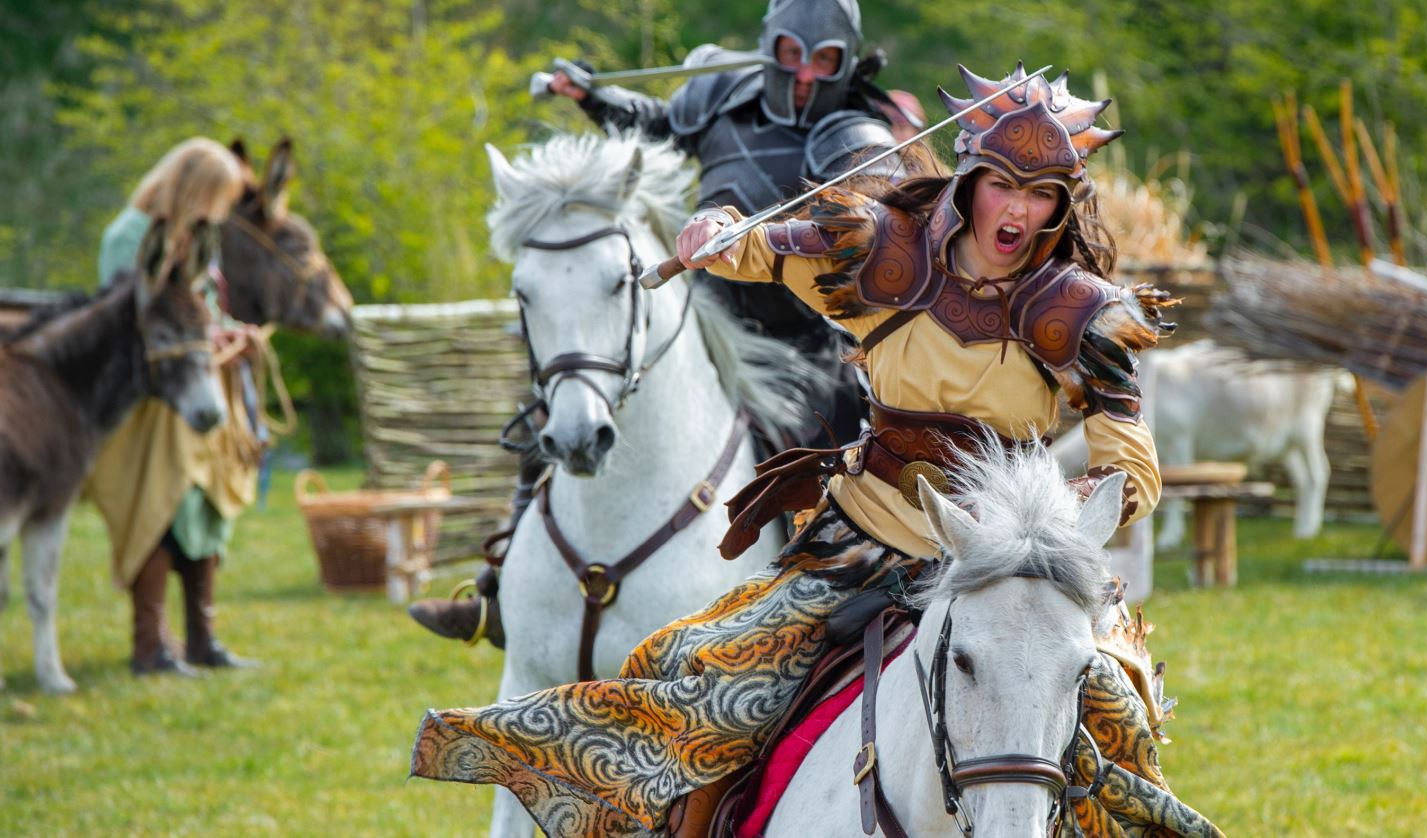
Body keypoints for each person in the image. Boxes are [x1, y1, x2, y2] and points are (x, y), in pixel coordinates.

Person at [411, 65, 1216, 836]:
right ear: (970, 182)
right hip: (862, 546)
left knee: (1122, 727)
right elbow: (765, 245)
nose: (1017, 211)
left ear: (1062, 205)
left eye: (1041, 195)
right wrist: (719, 232)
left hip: (1013, 569)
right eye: (1003, 184)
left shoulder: (1086, 315)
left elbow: (1130, 456)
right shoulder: (886, 255)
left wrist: (1081, 506)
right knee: (705, 694)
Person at [408, 0, 926, 647]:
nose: (803, 75)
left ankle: (829, 603)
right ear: (771, 49)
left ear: (845, 61)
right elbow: (657, 124)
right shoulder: (722, 96)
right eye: (792, 54)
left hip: (806, 335)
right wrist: (590, 98)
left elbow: (873, 235)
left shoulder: (857, 132)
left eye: (823, 61)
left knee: (832, 437)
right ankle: (499, 593)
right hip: (706, 309)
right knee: (570, 398)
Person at [87, 137, 262, 676]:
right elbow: (128, 317)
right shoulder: (129, 237)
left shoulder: (195, 241)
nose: (222, 211)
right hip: (153, 406)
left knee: (203, 511)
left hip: (201, 398)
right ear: (195, 188)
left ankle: (202, 640)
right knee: (159, 510)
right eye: (218, 197)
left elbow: (198, 313)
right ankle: (152, 646)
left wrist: (232, 336)